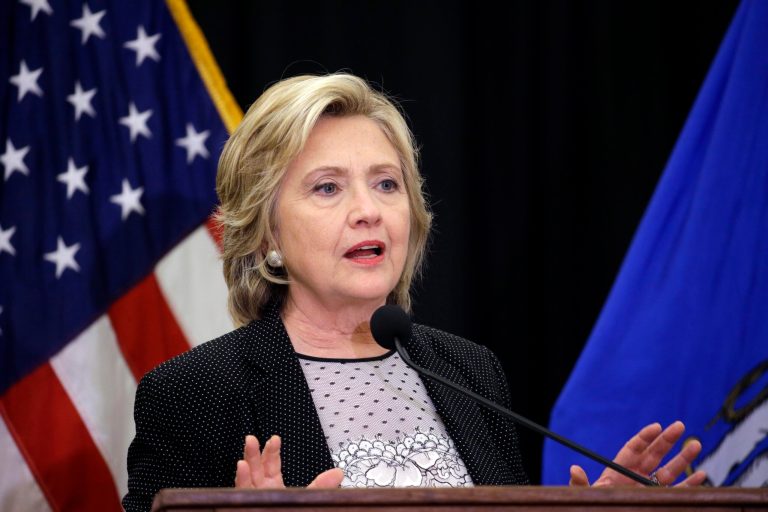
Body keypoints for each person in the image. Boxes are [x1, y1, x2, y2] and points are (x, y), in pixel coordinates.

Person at [122, 73, 706, 511]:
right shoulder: (193, 395)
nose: (368, 211)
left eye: (386, 183)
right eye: (328, 188)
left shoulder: (471, 372)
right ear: (267, 231)